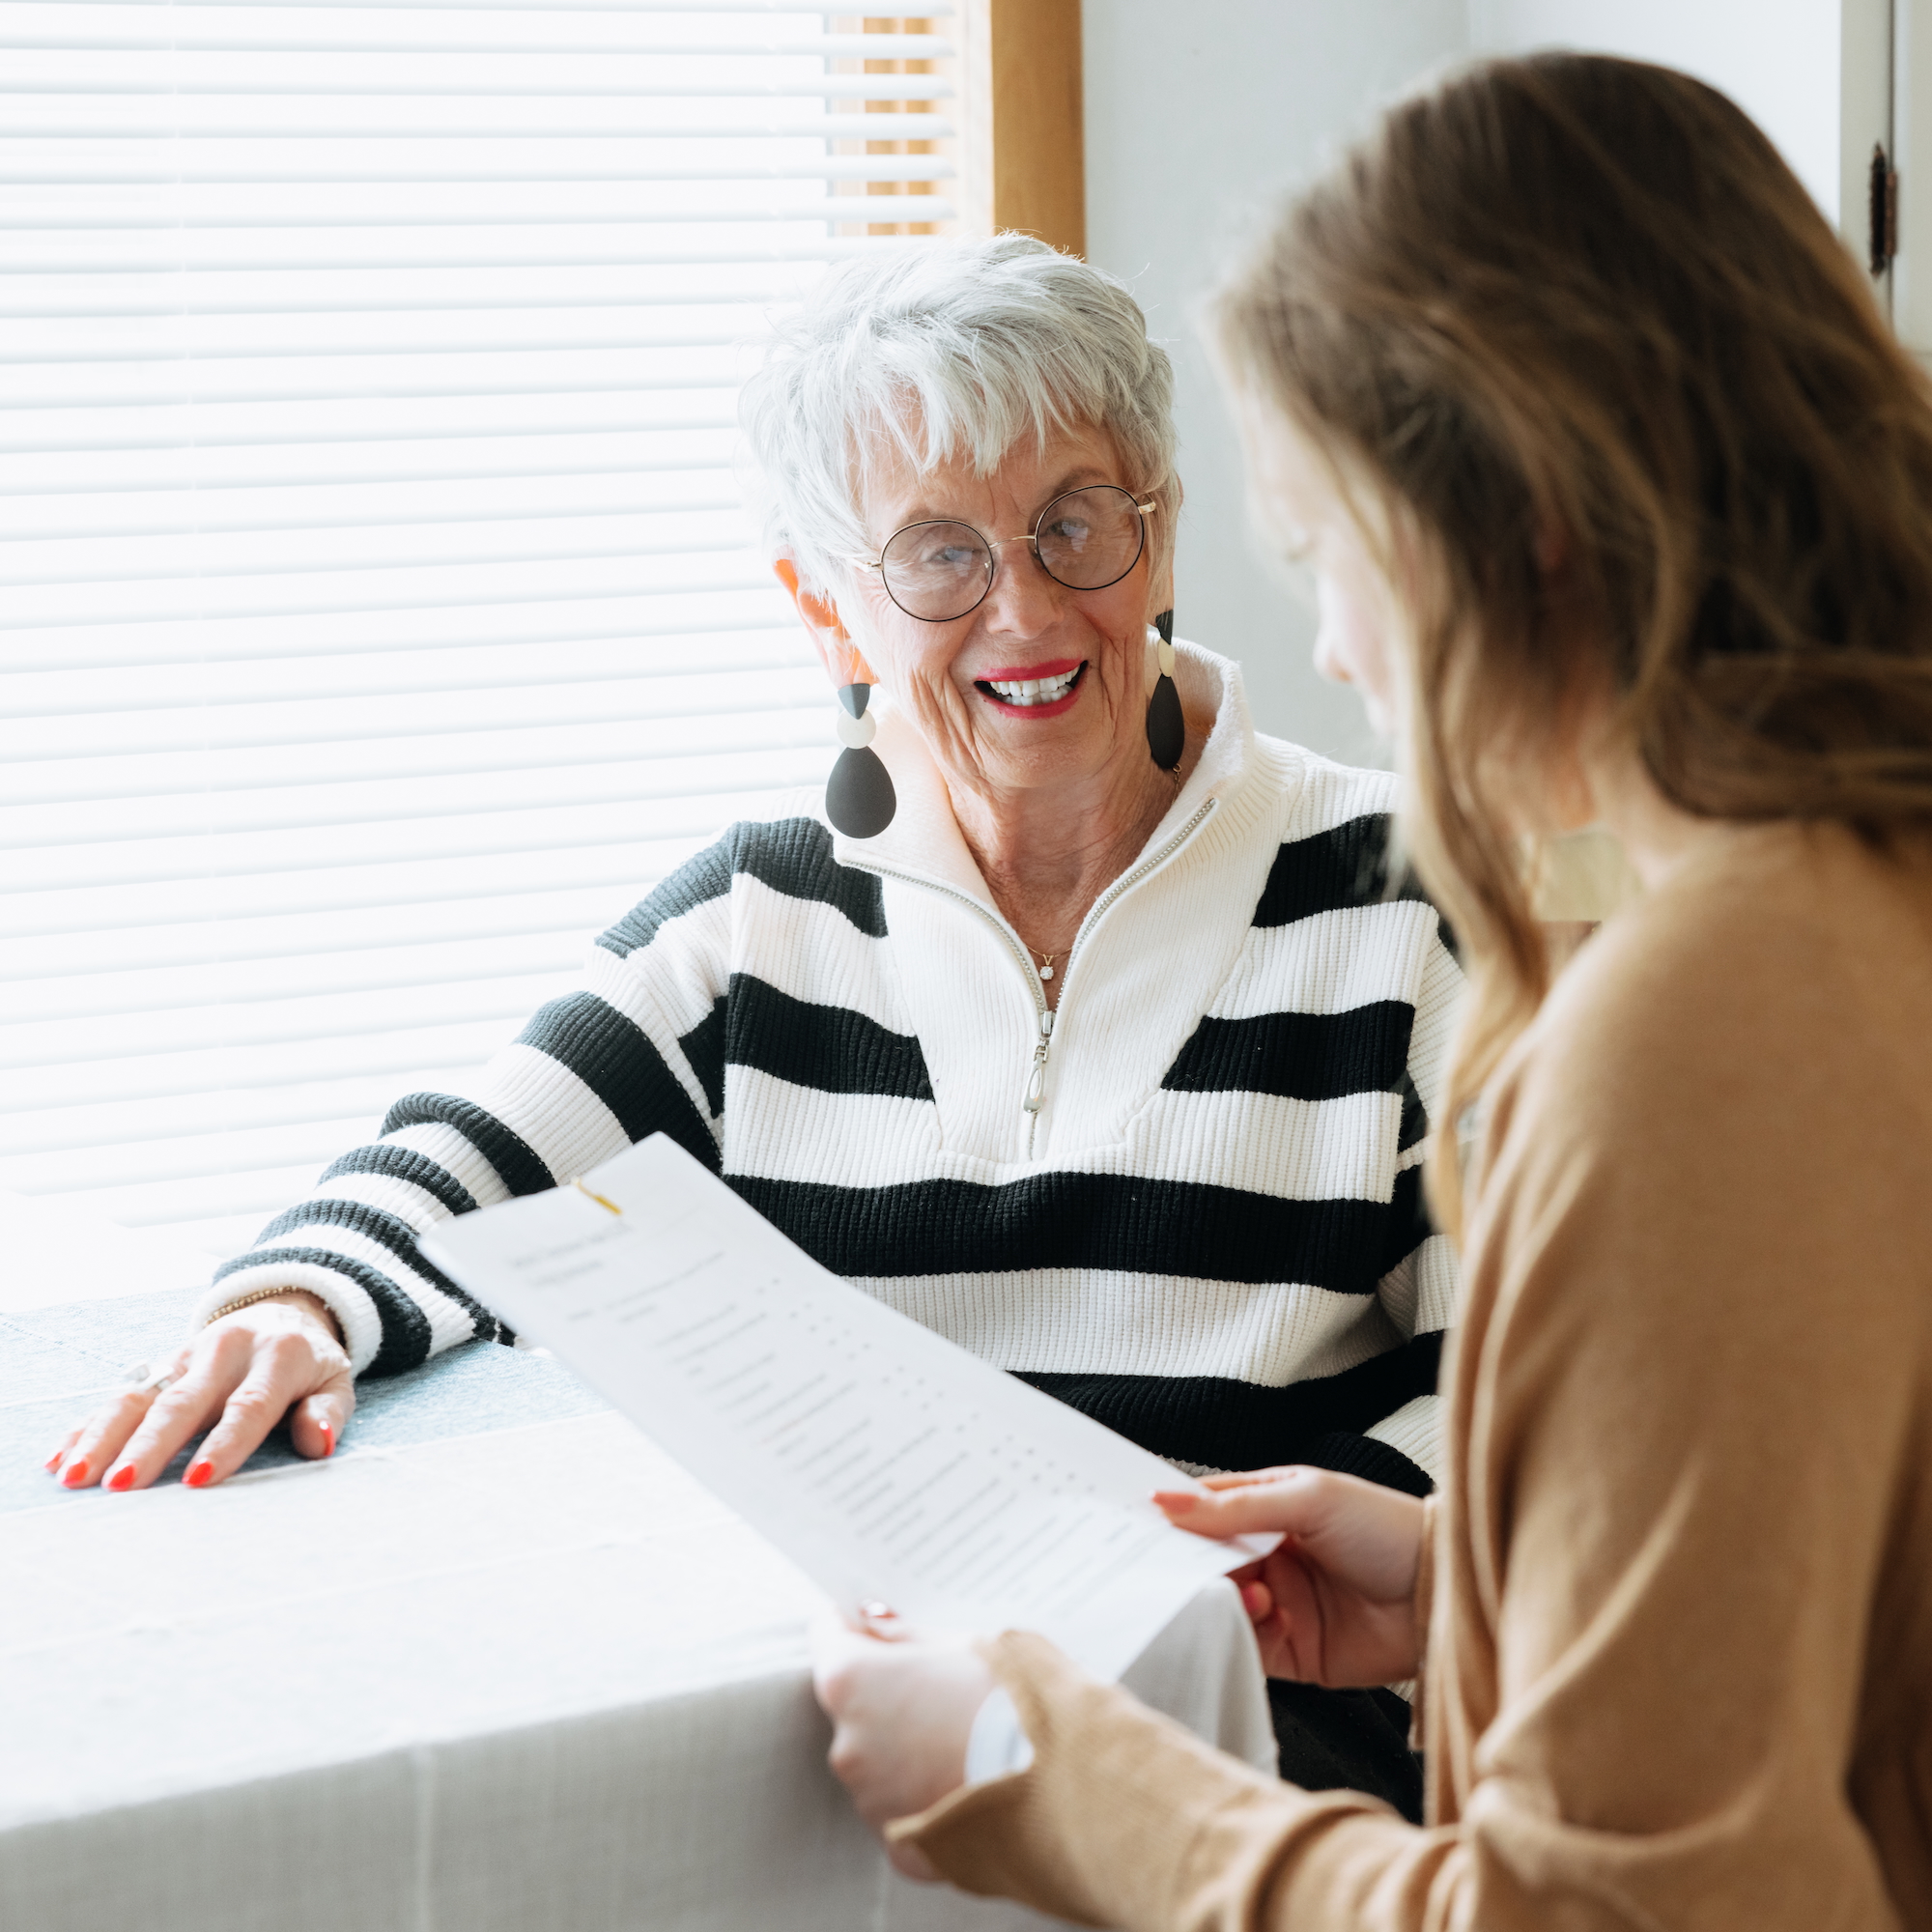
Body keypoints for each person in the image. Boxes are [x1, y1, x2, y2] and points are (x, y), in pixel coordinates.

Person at [45, 234, 1463, 1814]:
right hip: (859, 1742)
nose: (1026, 614)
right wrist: (300, 1296)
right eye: (937, 554)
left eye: (1075, 523)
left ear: (1161, 526)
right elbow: (471, 1164)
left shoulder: (1411, 901)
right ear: (825, 610)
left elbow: (1535, 1391)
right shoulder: (762, 917)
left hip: (1260, 1732)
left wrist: (1236, 1563)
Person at [809, 54, 1932, 1929]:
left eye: (1327, 550)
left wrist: (1059, 1781)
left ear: (1525, 522)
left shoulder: (1692, 1026)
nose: (1324, 639)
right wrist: (1464, 1589)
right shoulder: (1865, 896)